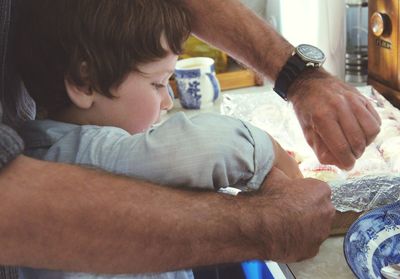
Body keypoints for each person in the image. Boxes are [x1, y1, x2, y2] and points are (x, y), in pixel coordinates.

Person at [0, 0, 378, 276]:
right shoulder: (88, 151)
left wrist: (295, 76)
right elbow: (218, 144)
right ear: (84, 81)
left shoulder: (35, 143)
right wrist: (274, 156)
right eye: (157, 83)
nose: (168, 100)